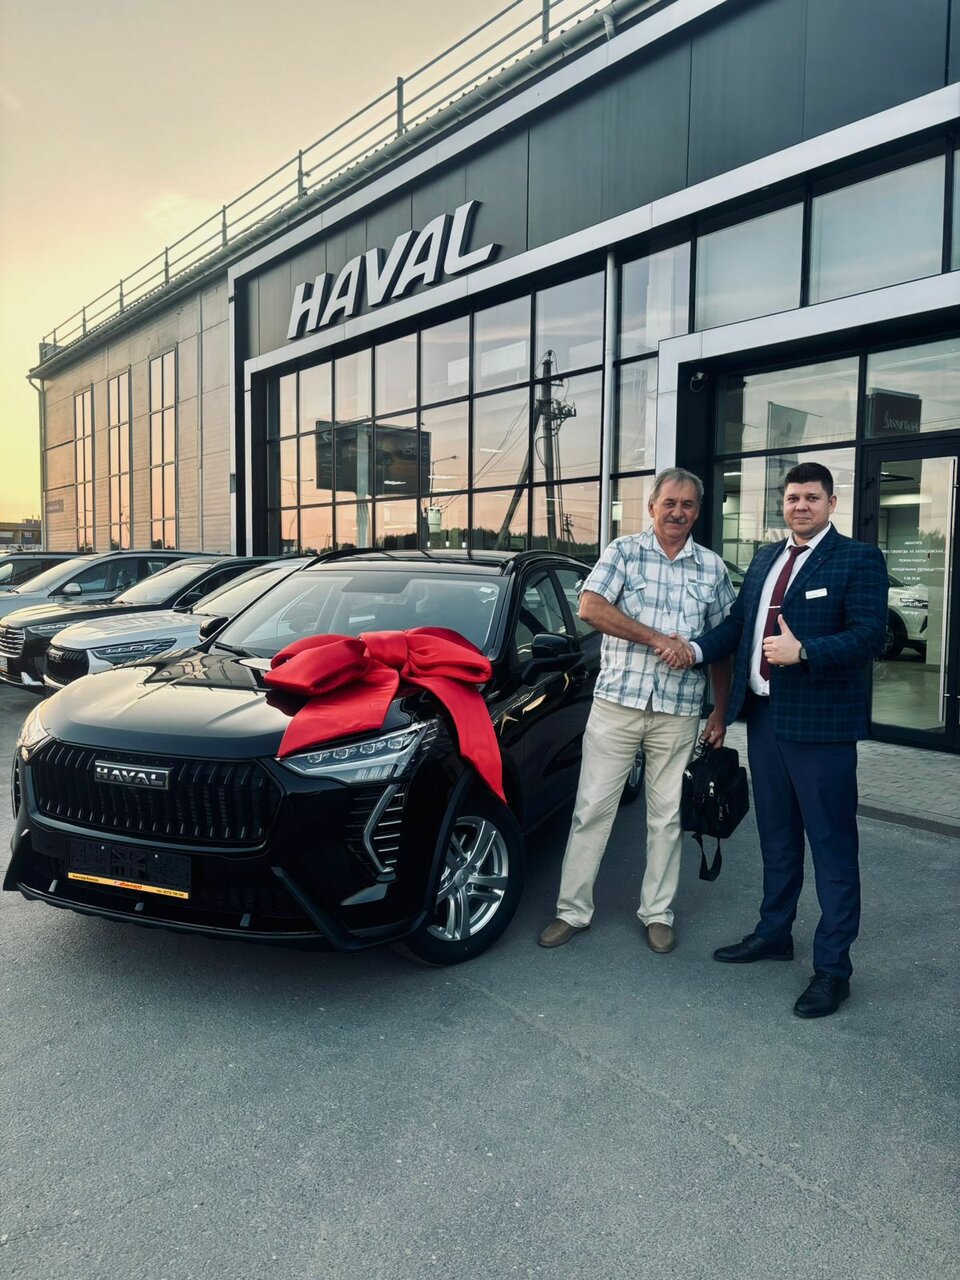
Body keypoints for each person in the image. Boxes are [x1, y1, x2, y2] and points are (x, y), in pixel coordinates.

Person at [660, 461, 886, 1017]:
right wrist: (695, 649)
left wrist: (804, 651)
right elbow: (740, 625)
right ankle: (774, 932)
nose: (800, 506)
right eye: (792, 498)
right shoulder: (766, 558)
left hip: (821, 730)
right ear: (782, 505)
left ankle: (832, 970)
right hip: (764, 721)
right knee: (777, 839)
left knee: (832, 848)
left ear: (832, 504)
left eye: (812, 497)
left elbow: (869, 635)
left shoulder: (857, 558)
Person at [538, 467, 734, 955]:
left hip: (679, 709)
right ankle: (572, 910)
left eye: (687, 505)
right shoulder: (623, 551)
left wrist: (720, 713)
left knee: (666, 818)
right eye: (670, 502)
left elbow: (723, 643)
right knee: (591, 811)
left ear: (698, 512)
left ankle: (657, 913)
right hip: (618, 705)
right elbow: (590, 607)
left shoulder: (712, 568)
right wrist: (657, 639)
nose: (677, 512)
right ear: (651, 506)